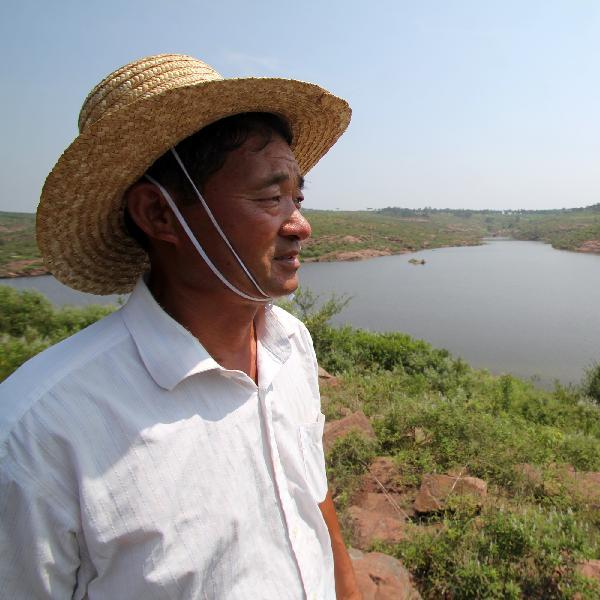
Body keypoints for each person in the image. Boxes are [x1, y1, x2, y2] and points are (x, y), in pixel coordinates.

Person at [0, 54, 360, 599]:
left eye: (297, 196)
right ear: (159, 215)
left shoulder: (291, 346)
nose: (301, 224)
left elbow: (311, 494)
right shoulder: (40, 432)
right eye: (269, 198)